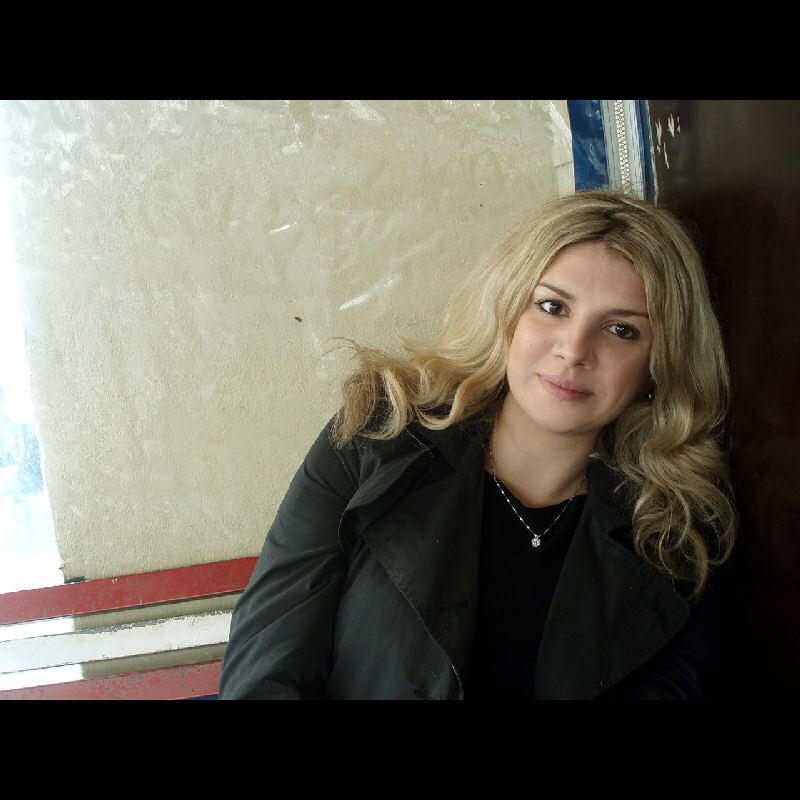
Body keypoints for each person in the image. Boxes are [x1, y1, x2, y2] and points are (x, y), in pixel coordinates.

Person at [218, 190, 737, 700]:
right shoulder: (377, 434)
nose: (575, 349)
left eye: (621, 329)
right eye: (552, 306)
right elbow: (266, 670)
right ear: (508, 311)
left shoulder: (673, 533)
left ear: (657, 365)